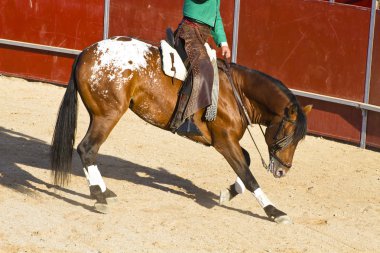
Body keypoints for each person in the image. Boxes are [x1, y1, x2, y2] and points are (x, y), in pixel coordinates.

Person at [170, 0, 231, 135]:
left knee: (209, 66)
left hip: (201, 37)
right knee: (202, 67)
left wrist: (223, 43)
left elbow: (216, 16)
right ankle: (182, 118)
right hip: (188, 32)